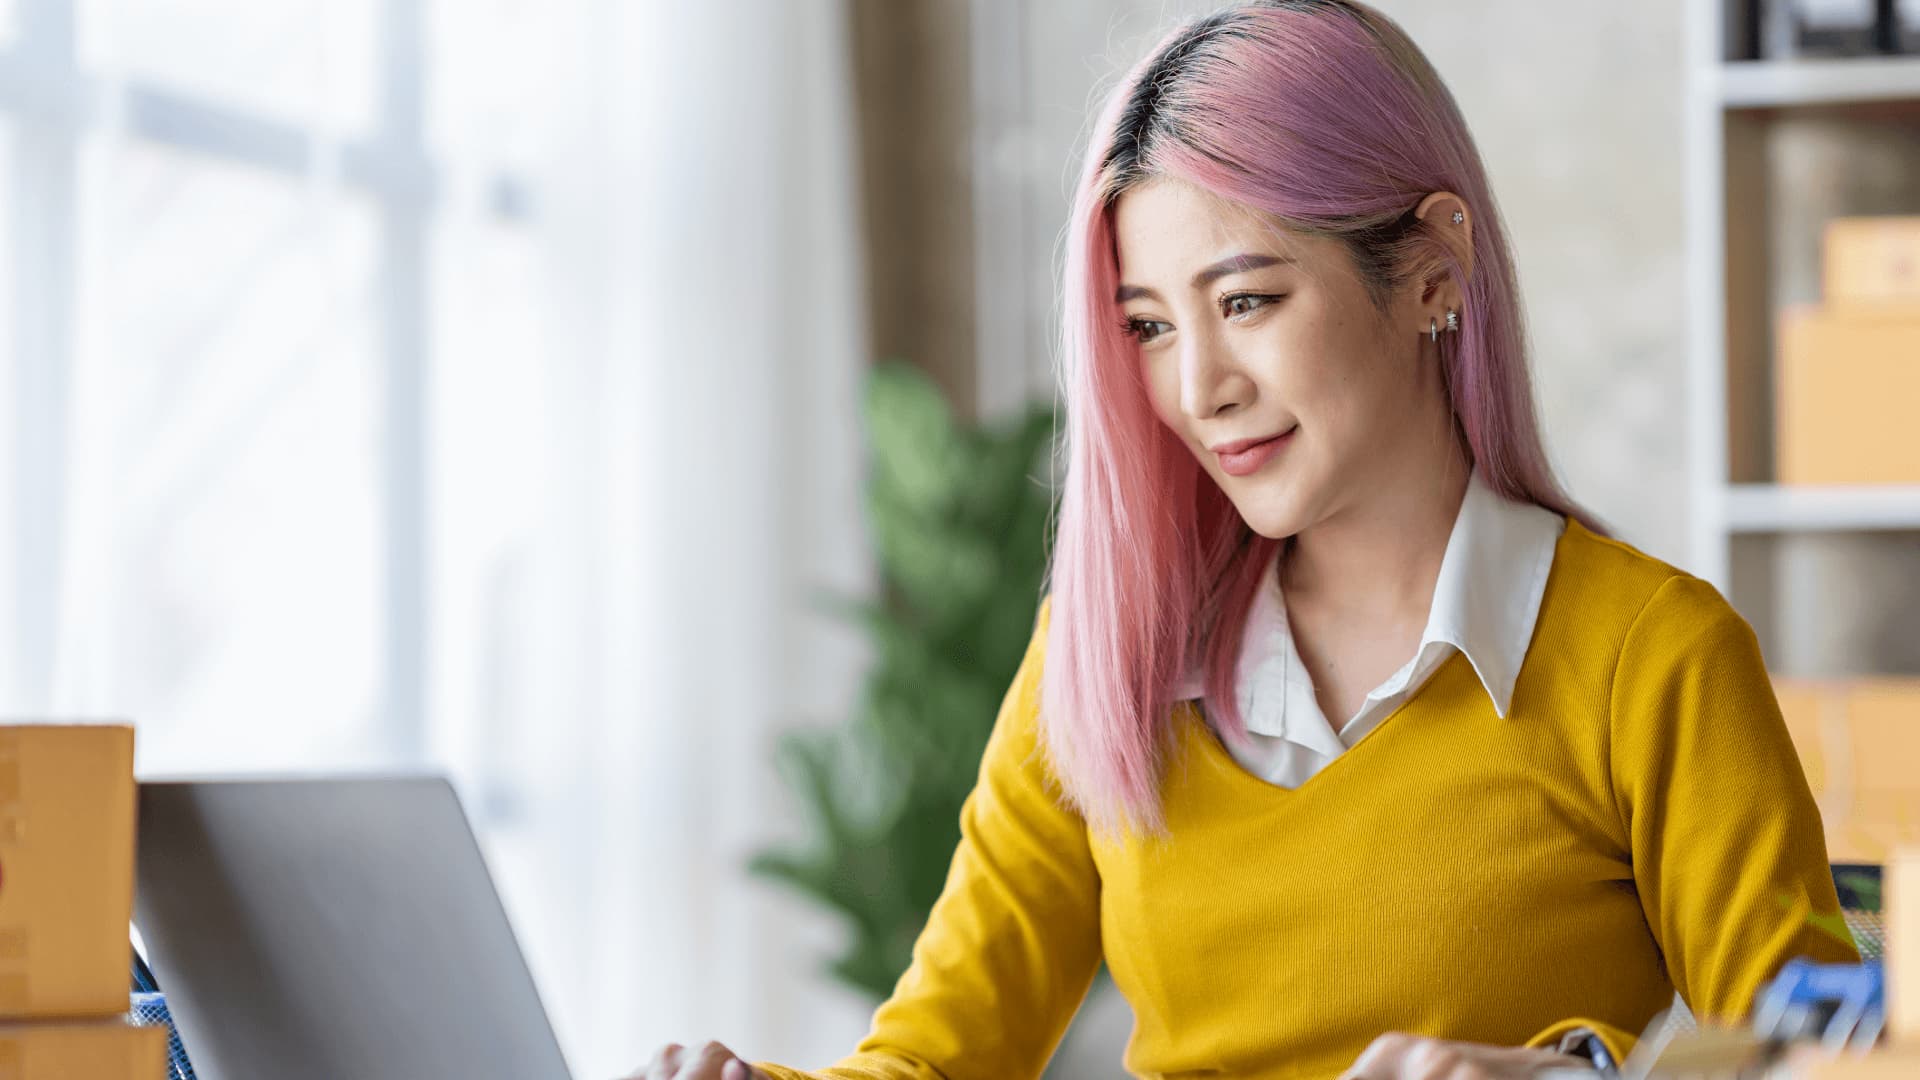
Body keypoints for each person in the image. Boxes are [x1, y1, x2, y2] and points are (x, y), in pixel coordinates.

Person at [632, 2, 1858, 1077]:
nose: (1198, 387)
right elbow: (933, 1060)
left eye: (1247, 301)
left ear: (1435, 270)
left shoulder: (1650, 656)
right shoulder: (1106, 656)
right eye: (1151, 326)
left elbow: (1828, 1063)